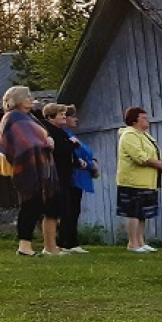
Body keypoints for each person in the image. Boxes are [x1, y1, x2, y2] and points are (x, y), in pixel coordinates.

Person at [0, 86, 60, 256]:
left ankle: (27, 246)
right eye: (27, 96)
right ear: (18, 99)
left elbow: (37, 137)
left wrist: (48, 141)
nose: (31, 99)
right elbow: (26, 143)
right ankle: (24, 246)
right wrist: (46, 143)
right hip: (27, 167)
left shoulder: (28, 117)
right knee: (30, 204)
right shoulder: (14, 117)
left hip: (37, 166)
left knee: (34, 204)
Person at [117, 107, 162, 253]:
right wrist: (158, 164)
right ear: (134, 120)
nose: (148, 120)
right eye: (144, 117)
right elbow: (139, 156)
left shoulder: (144, 135)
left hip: (147, 181)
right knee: (134, 212)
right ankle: (132, 243)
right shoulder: (129, 135)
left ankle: (140, 242)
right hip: (133, 181)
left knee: (143, 213)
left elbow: (151, 154)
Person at [59, 105, 99, 253]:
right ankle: (66, 242)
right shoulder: (64, 135)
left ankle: (72, 241)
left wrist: (93, 162)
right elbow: (75, 154)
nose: (76, 119)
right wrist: (89, 164)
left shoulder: (70, 134)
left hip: (81, 176)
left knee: (75, 209)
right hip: (73, 175)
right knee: (69, 210)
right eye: (72, 116)